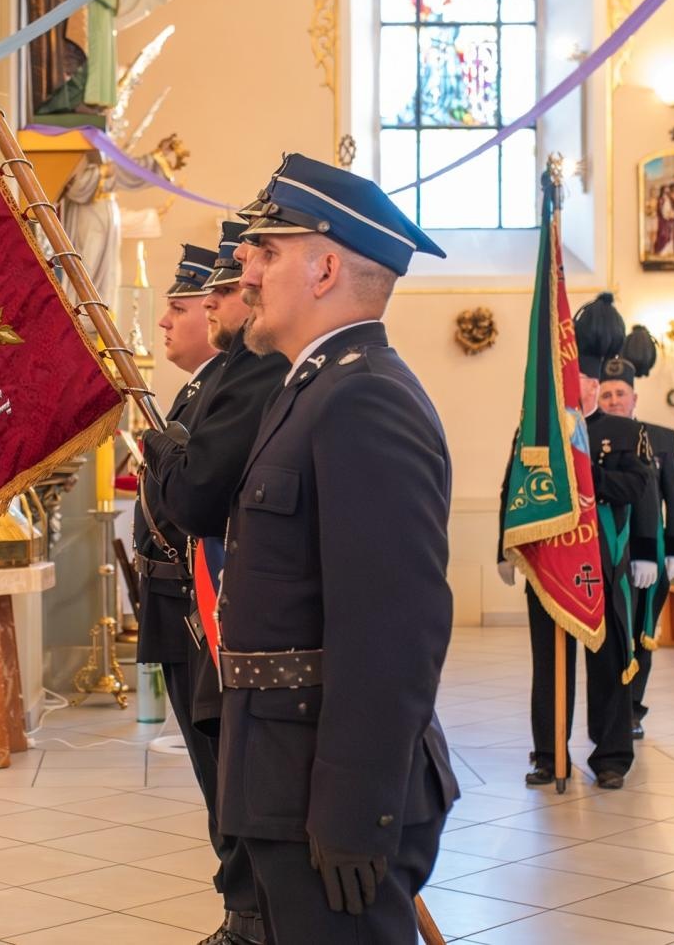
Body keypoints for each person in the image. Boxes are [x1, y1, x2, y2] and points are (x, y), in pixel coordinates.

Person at [195, 154, 458, 943]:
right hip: (283, 774)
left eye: (267, 251)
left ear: (325, 268)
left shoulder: (364, 396)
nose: (245, 268)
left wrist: (354, 808)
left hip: (327, 790)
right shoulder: (312, 388)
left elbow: (394, 631)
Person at [141, 223, 289, 945]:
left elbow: (198, 493)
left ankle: (252, 916)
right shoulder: (217, 383)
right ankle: (246, 913)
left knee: (232, 778)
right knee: (218, 778)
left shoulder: (250, 377)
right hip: (183, 597)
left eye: (215, 292)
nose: (170, 319)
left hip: (213, 602)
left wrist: (162, 445)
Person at [501, 292, 656, 790]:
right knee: (549, 666)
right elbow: (514, 484)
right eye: (579, 381)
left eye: (591, 382)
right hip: (548, 563)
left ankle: (611, 756)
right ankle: (549, 756)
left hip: (604, 564)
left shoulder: (623, 432)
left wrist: (586, 479)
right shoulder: (540, 428)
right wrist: (501, 546)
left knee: (609, 663)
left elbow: (637, 487)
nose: (585, 389)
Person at [602, 325, 674, 738]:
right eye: (606, 394)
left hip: (649, 553)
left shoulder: (661, 439)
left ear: (634, 398)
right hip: (606, 553)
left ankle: (633, 707)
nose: (614, 400)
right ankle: (610, 709)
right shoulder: (591, 436)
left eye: (620, 393)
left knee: (642, 633)